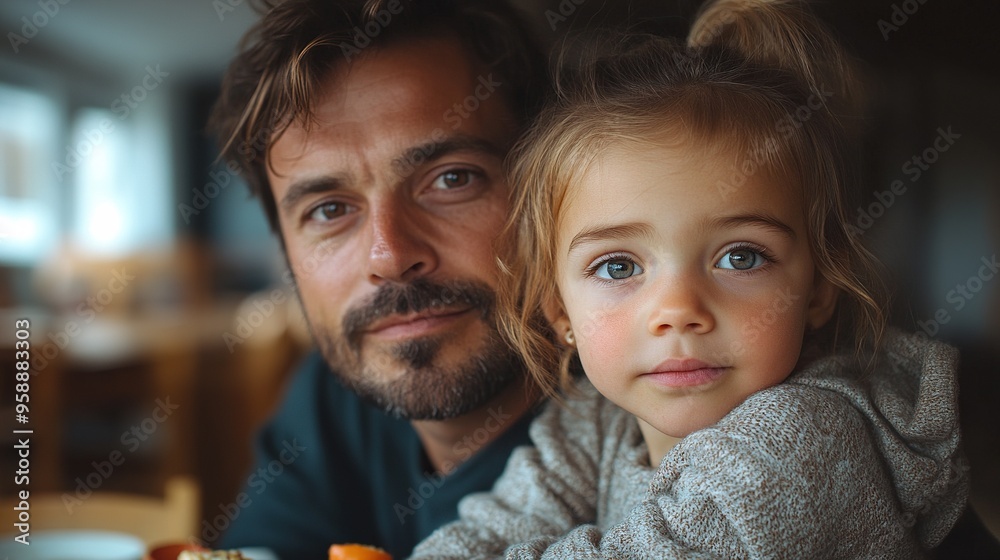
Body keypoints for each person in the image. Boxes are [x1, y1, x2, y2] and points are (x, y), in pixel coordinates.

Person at [409, 0, 970, 557]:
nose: (678, 309)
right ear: (560, 311)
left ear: (819, 288)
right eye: (618, 267)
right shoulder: (591, 423)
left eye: (741, 258)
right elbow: (485, 534)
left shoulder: (805, 440)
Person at [207, 1, 549, 557]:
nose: (389, 257)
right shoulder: (328, 400)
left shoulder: (656, 440)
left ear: (550, 194)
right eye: (329, 210)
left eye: (452, 179)